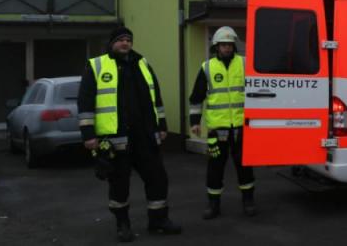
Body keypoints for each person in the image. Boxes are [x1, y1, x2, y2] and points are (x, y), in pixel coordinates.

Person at [77, 26, 182, 242]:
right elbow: (85, 102)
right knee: (119, 184)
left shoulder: (142, 64)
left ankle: (158, 220)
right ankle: (122, 224)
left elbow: (156, 98)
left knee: (158, 178)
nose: (125, 43)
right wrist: (88, 134)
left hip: (145, 136)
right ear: (111, 43)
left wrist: (162, 125)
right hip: (115, 139)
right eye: (120, 40)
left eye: (128, 40)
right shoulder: (96, 66)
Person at [188, 26, 255, 219]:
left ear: (234, 46)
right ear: (216, 46)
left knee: (244, 166)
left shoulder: (245, 64)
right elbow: (196, 98)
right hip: (217, 130)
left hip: (242, 128)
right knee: (215, 168)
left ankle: (248, 201)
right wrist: (195, 122)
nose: (227, 47)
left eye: (229, 44)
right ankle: (213, 204)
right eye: (223, 44)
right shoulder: (207, 67)